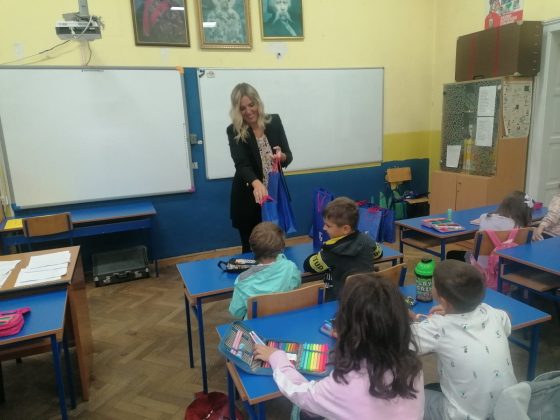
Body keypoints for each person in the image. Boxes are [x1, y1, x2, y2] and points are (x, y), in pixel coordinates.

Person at [254, 274, 425, 420]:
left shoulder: (344, 384)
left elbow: (299, 392)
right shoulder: (412, 366)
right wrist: (351, 337)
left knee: (303, 412)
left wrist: (277, 357)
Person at [410, 260, 517, 420]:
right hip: (507, 409)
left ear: (443, 300)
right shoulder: (490, 311)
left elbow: (399, 341)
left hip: (461, 416)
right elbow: (507, 316)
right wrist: (453, 310)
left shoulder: (438, 326)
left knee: (411, 399)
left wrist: (408, 315)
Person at [227, 83, 293, 252]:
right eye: (242, 108)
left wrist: (281, 157)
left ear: (258, 102)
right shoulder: (234, 130)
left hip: (274, 195)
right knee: (251, 249)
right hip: (249, 198)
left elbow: (288, 155)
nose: (248, 111)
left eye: (251, 105)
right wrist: (257, 184)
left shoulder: (274, 121)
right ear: (237, 110)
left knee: (275, 245)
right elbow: (242, 164)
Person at [303, 197, 383, 301]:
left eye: (328, 226)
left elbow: (309, 265)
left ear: (345, 229)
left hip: (339, 302)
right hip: (367, 297)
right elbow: (379, 254)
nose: (324, 228)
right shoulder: (367, 240)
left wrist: (319, 254)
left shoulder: (331, 251)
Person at [229, 222, 301, 319]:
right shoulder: (291, 268)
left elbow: (237, 312)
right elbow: (295, 288)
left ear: (252, 248)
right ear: (281, 247)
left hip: (254, 327)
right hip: (284, 321)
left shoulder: (242, 280)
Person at [446, 190, 533, 262]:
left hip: (480, 265)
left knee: (451, 254)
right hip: (506, 265)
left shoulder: (485, 217)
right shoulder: (523, 230)